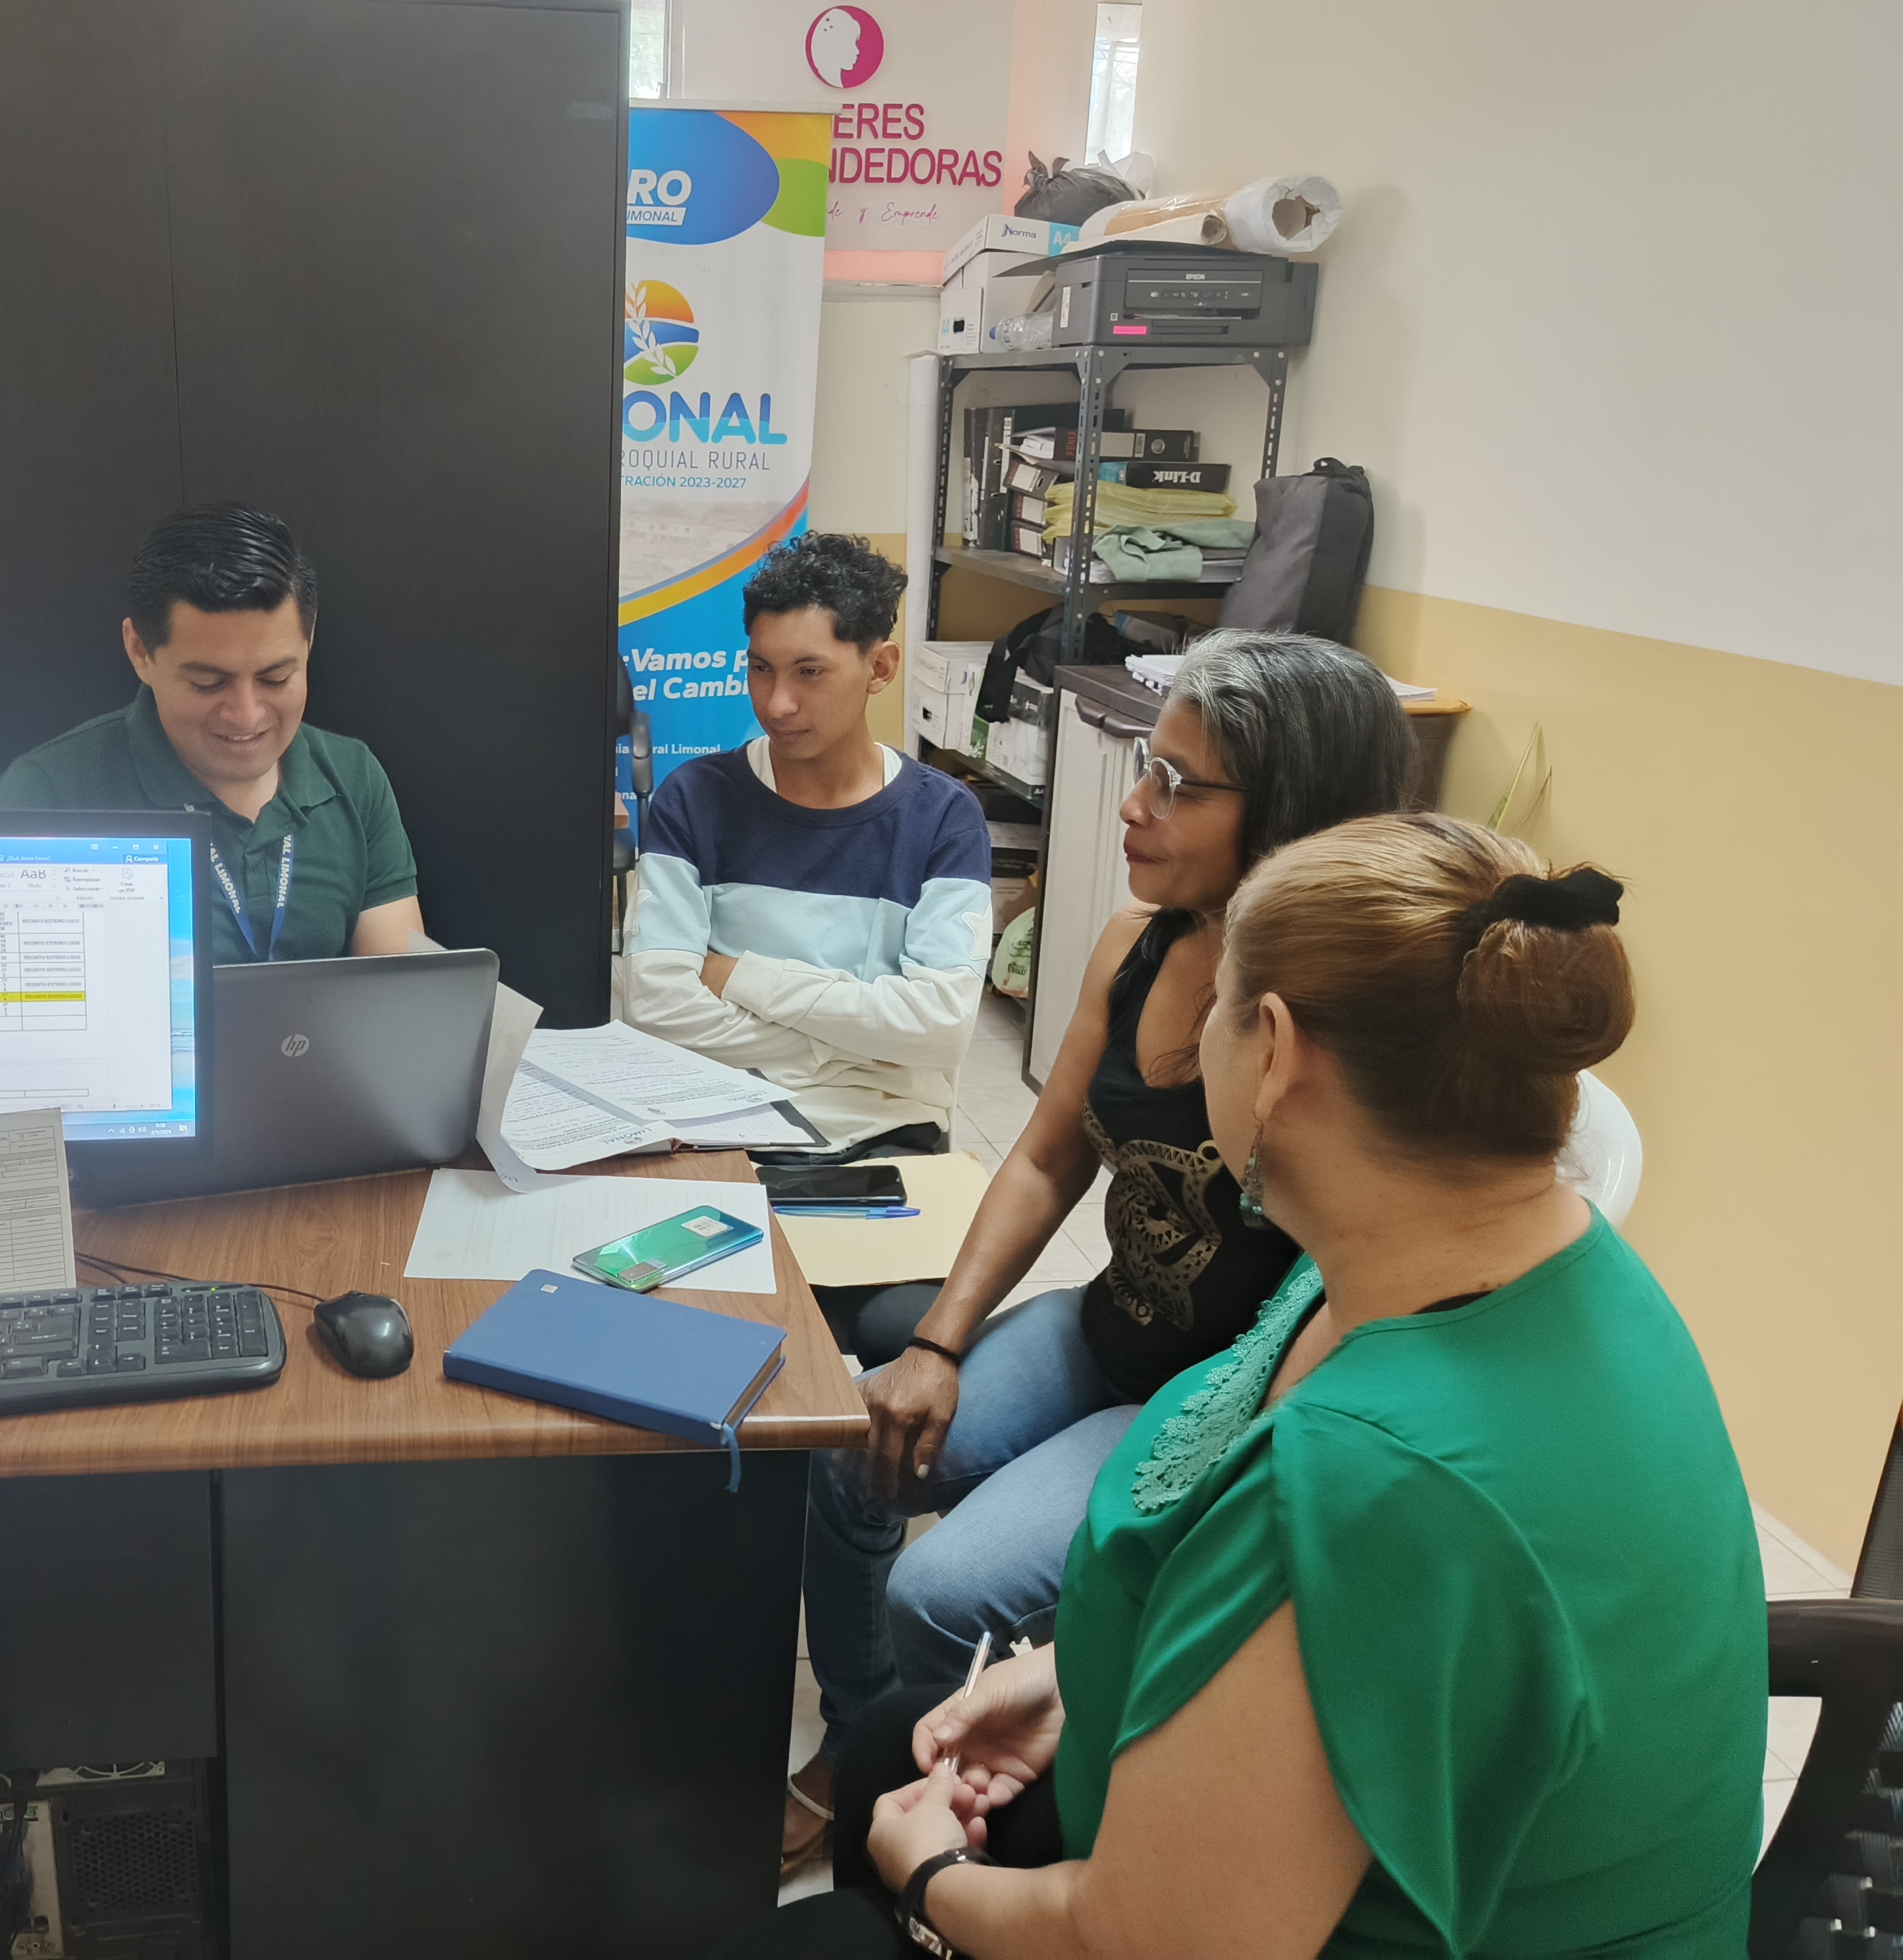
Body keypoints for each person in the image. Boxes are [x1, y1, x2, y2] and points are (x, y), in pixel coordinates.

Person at [717, 813, 1766, 1958]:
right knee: (891, 1743)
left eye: (1213, 1009)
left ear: (1274, 1053)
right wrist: (1079, 1676)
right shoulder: (1492, 1265)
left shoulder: (1372, 1484)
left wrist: (930, 1878)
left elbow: (1147, 1944)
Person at [785, 631, 1413, 1872]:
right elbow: (1044, 1156)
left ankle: (984, 1833)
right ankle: (864, 1734)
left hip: (1214, 1396)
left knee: (940, 1594)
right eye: (1145, 768)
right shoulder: (1139, 943)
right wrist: (934, 1342)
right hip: (1108, 1323)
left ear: (1289, 814)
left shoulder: (1343, 1031)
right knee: (851, 1445)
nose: (1134, 806)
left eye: (1178, 785)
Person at [622, 532, 993, 1169]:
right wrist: (859, 1049)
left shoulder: (942, 818)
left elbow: (940, 1031)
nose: (777, 703)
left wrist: (739, 976)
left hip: (885, 1134)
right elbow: (655, 1005)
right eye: (760, 668)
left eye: (810, 672)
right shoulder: (696, 799)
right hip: (714, 1124)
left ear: (880, 669)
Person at [0, 501, 423, 962]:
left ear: (308, 645)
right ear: (141, 652)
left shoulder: (353, 777)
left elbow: (400, 985)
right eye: (208, 683)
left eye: (276, 678)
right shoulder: (48, 794)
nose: (246, 716)